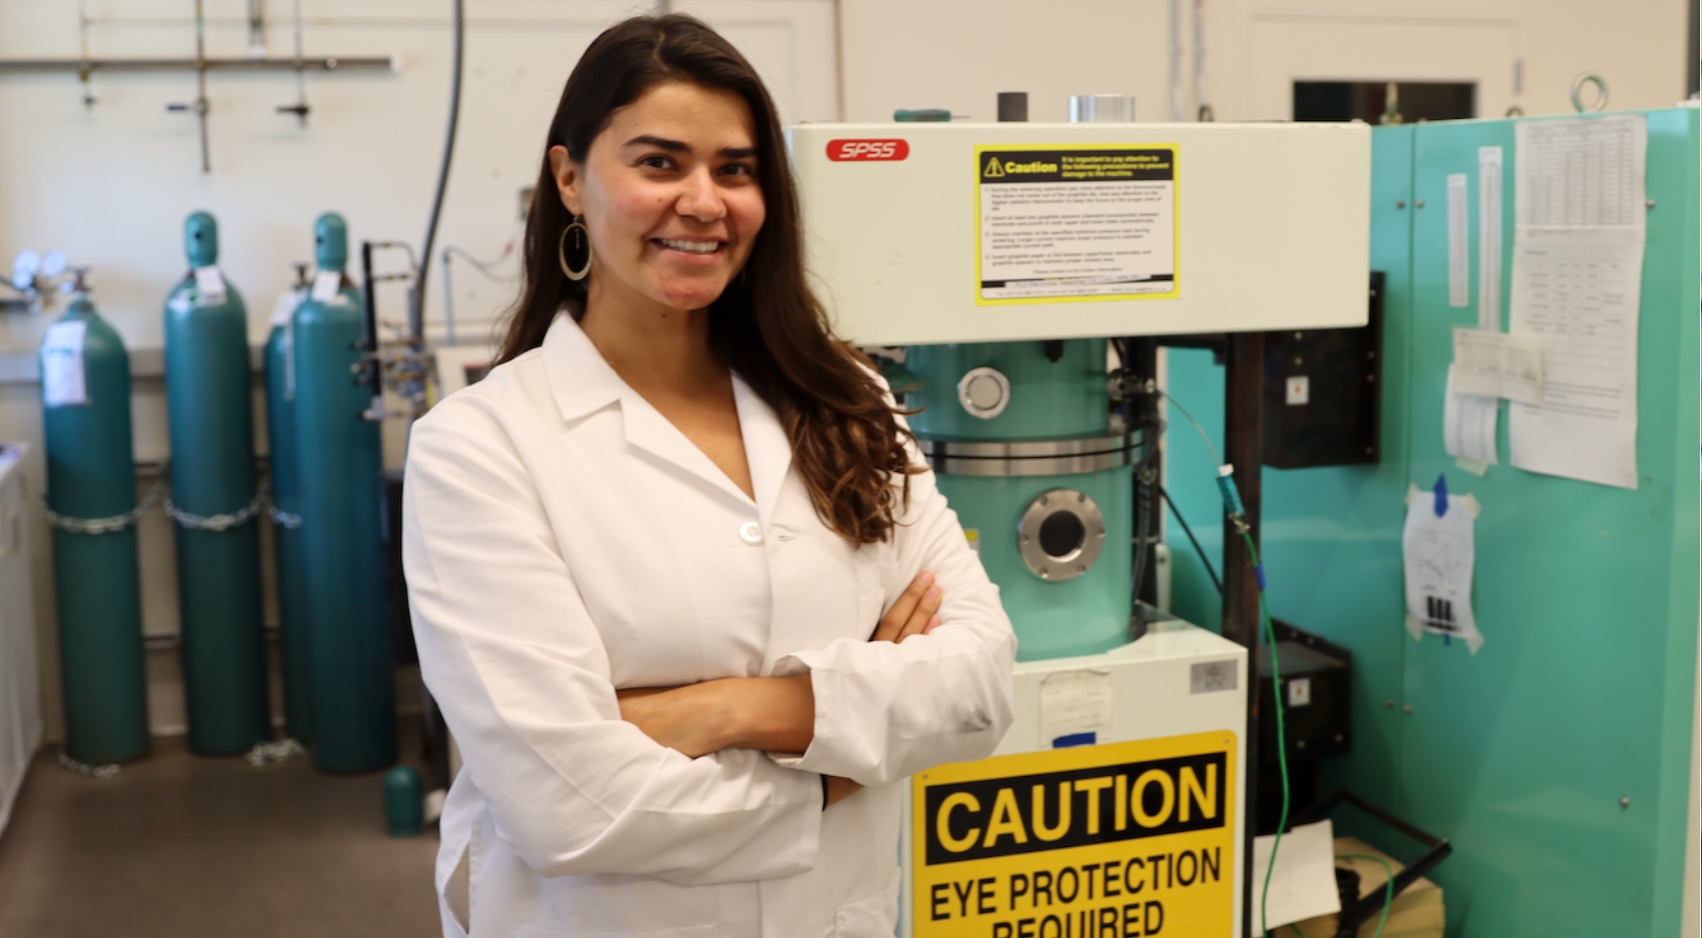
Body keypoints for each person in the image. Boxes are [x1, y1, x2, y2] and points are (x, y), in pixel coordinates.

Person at [403, 14, 1015, 938]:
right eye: (659, 163)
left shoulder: (845, 402)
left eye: (735, 169)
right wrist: (854, 750)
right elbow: (569, 806)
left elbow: (978, 688)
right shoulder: (483, 447)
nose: (704, 200)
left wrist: (722, 711)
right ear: (569, 178)